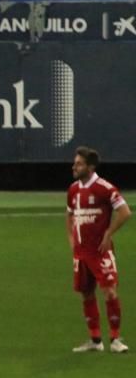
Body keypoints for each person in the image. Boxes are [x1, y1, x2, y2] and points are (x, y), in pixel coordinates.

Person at [67, 147, 131, 353]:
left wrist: (108, 233)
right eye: (75, 163)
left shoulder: (105, 188)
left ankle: (115, 339)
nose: (74, 166)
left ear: (90, 167)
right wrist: (72, 241)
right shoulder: (73, 190)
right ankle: (95, 340)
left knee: (110, 292)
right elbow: (70, 216)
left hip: (100, 251)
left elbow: (124, 212)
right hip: (81, 252)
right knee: (86, 293)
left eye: (79, 164)